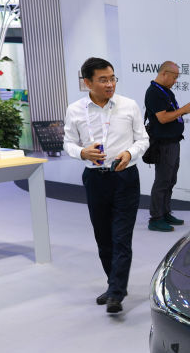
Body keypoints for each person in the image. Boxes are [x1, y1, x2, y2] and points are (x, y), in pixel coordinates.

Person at [63, 57, 149, 315]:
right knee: (103, 237)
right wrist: (82, 152)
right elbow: (68, 143)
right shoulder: (75, 110)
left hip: (125, 177)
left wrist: (130, 153)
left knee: (121, 237)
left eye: (112, 78)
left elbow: (143, 139)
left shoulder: (129, 105)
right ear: (88, 82)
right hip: (94, 179)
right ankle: (114, 284)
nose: (110, 84)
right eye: (103, 80)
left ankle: (116, 293)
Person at [144, 61, 190, 232]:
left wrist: (181, 111)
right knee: (162, 181)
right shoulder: (154, 92)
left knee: (170, 180)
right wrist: (183, 110)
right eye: (174, 77)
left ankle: (165, 212)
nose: (175, 81)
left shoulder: (166, 91)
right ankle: (156, 218)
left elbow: (170, 115)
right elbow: (163, 118)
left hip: (173, 142)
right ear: (164, 74)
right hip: (163, 144)